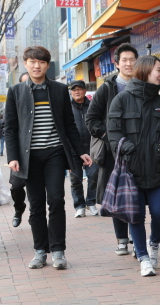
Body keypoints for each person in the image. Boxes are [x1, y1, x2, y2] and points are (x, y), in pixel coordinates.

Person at [5, 46, 92, 270]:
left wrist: (80, 150)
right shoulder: (16, 92)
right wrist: (13, 156)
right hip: (29, 157)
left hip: (54, 153)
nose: (37, 66)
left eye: (41, 62)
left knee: (55, 200)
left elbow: (69, 125)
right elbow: (11, 129)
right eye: (32, 61)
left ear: (47, 65)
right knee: (35, 205)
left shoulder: (60, 90)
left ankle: (58, 250)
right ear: (25, 63)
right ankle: (40, 250)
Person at [107, 55, 160, 277]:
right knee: (135, 216)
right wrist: (126, 146)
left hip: (157, 167)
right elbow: (113, 130)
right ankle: (143, 257)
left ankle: (153, 244)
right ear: (146, 70)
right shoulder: (121, 99)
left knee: (158, 214)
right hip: (131, 169)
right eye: (158, 69)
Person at [86, 43, 138, 255]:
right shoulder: (107, 88)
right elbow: (91, 119)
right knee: (118, 193)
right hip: (113, 153)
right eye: (124, 60)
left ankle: (137, 238)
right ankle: (122, 239)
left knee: (137, 195)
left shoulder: (143, 86)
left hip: (137, 150)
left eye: (132, 59)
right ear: (116, 64)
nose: (128, 63)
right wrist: (109, 137)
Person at [69, 80, 99, 218]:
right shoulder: (67, 107)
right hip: (73, 150)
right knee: (76, 179)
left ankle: (91, 202)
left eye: (79, 89)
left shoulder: (93, 106)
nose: (77, 92)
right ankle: (79, 206)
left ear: (85, 91)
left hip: (91, 148)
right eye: (74, 89)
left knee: (93, 176)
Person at [9, 73, 30, 228]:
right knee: (16, 186)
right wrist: (12, 157)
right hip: (20, 155)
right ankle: (19, 209)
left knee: (38, 190)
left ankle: (36, 216)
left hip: (37, 154)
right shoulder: (15, 98)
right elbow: (8, 128)